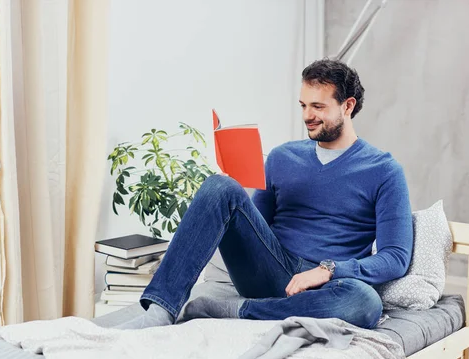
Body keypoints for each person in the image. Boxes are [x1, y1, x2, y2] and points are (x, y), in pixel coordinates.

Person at [117, 59, 414, 330]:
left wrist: (329, 270)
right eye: (303, 106)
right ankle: (160, 311)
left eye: (318, 107)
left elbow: (395, 257)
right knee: (220, 186)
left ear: (347, 106)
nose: (307, 116)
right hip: (270, 270)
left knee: (364, 303)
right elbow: (256, 226)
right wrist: (230, 193)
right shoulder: (281, 157)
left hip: (328, 285)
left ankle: (236, 310)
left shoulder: (384, 170)